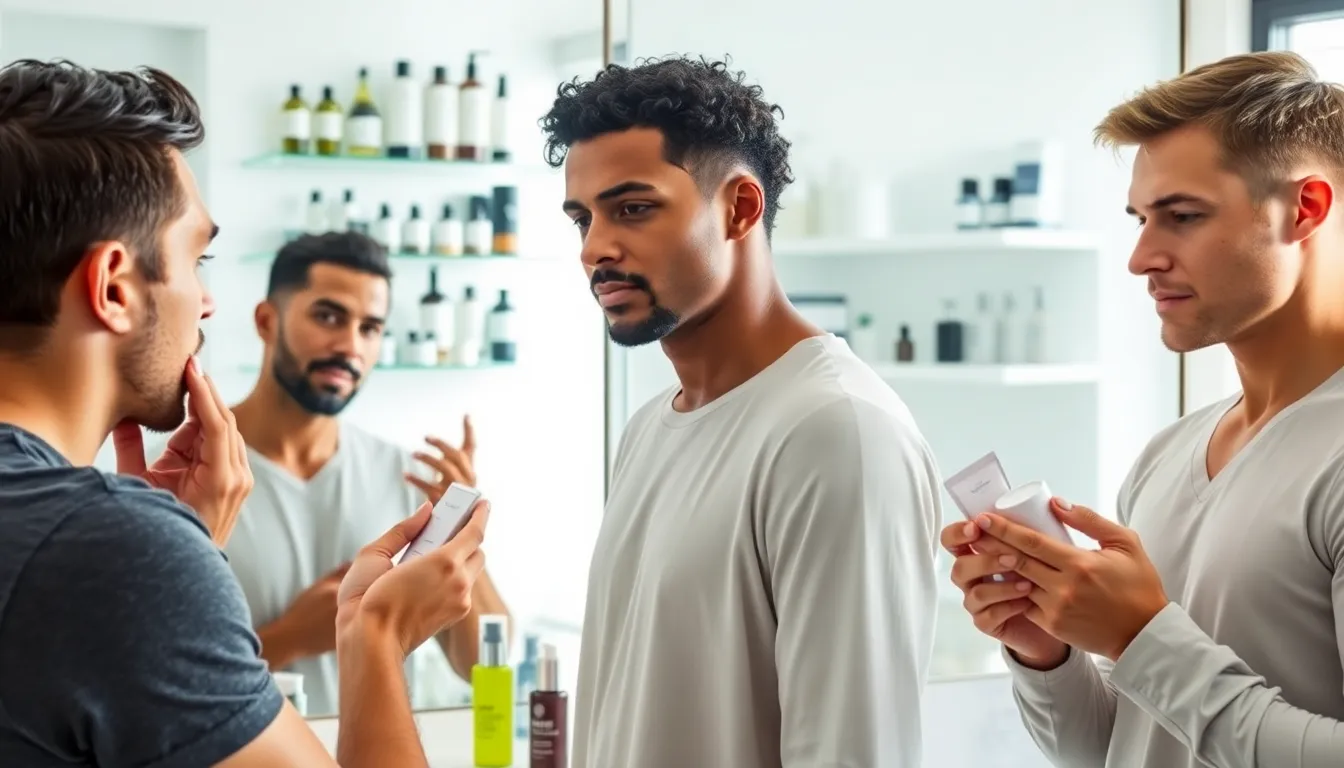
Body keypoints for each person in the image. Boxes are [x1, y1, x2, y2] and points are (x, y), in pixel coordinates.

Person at [0, 58, 489, 767]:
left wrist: (177, 547)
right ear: (112, 286)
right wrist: (372, 634)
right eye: (196, 258)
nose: (206, 302)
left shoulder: (78, 537)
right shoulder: (109, 547)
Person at [943, 51, 1344, 768]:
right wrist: (1046, 650)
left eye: (1182, 216)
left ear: (1305, 209)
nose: (1140, 257)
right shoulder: (1169, 453)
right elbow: (1114, 747)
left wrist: (1142, 637)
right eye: (1139, 219)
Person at [541, 56, 942, 768]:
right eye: (583, 218)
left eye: (632, 208)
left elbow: (854, 750)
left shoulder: (836, 431)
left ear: (740, 208)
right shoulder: (648, 430)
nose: (595, 249)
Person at [223, 231, 512, 715]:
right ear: (267, 321)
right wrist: (289, 638)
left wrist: (460, 536)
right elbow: (148, 674)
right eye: (328, 316)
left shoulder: (409, 479)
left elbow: (488, 669)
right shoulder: (189, 478)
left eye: (370, 327)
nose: (349, 345)